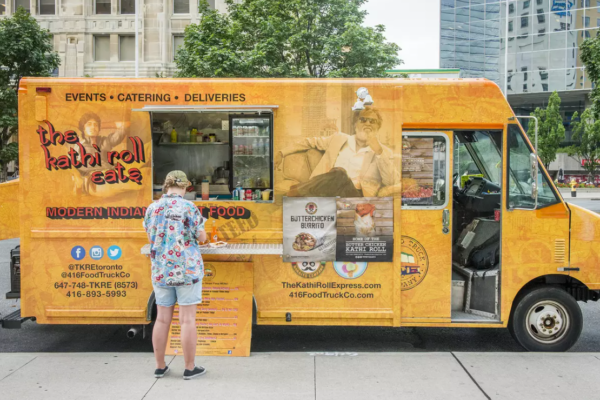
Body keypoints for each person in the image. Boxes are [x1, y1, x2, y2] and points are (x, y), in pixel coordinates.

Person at [143, 170, 207, 380]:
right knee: (187, 320)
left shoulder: (152, 208)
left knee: (162, 319)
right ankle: (189, 368)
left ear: (166, 185)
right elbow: (202, 237)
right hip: (187, 270)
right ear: (185, 186)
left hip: (161, 270)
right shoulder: (189, 207)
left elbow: (150, 236)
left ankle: (160, 366)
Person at [275, 107, 398, 197]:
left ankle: (294, 193)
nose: (367, 123)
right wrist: (281, 153)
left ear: (378, 127)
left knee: (340, 173)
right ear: (355, 124)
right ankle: (302, 196)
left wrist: (379, 152)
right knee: (338, 174)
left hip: (355, 196)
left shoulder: (383, 152)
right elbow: (309, 142)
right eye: (363, 120)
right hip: (328, 191)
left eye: (372, 121)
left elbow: (392, 181)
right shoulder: (338, 138)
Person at [70, 112, 130, 195]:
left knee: (146, 150)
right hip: (94, 181)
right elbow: (72, 166)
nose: (93, 127)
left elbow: (125, 125)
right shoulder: (78, 145)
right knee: (131, 183)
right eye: (89, 124)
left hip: (111, 174)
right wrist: (79, 179)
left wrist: (101, 125)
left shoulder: (105, 142)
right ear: (83, 128)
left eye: (96, 125)